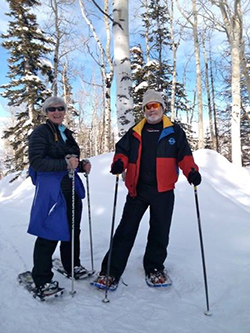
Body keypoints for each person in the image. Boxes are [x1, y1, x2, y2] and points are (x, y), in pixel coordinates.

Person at [93, 89, 201, 290]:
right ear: (144, 110)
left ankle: (154, 268)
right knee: (125, 230)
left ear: (162, 108)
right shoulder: (135, 131)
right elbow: (122, 151)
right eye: (148, 106)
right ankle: (110, 272)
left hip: (163, 191)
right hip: (137, 191)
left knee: (160, 232)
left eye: (155, 105)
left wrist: (192, 172)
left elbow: (185, 156)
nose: (152, 110)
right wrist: (119, 163)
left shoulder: (174, 131)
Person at [27, 96, 91, 297]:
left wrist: (81, 166)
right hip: (52, 191)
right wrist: (66, 165)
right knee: (49, 231)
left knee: (73, 229)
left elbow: (70, 158)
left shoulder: (65, 132)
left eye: (60, 108)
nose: (57, 112)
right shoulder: (40, 133)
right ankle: (42, 279)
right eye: (52, 109)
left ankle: (71, 264)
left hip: (69, 186)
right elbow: (37, 163)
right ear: (46, 112)